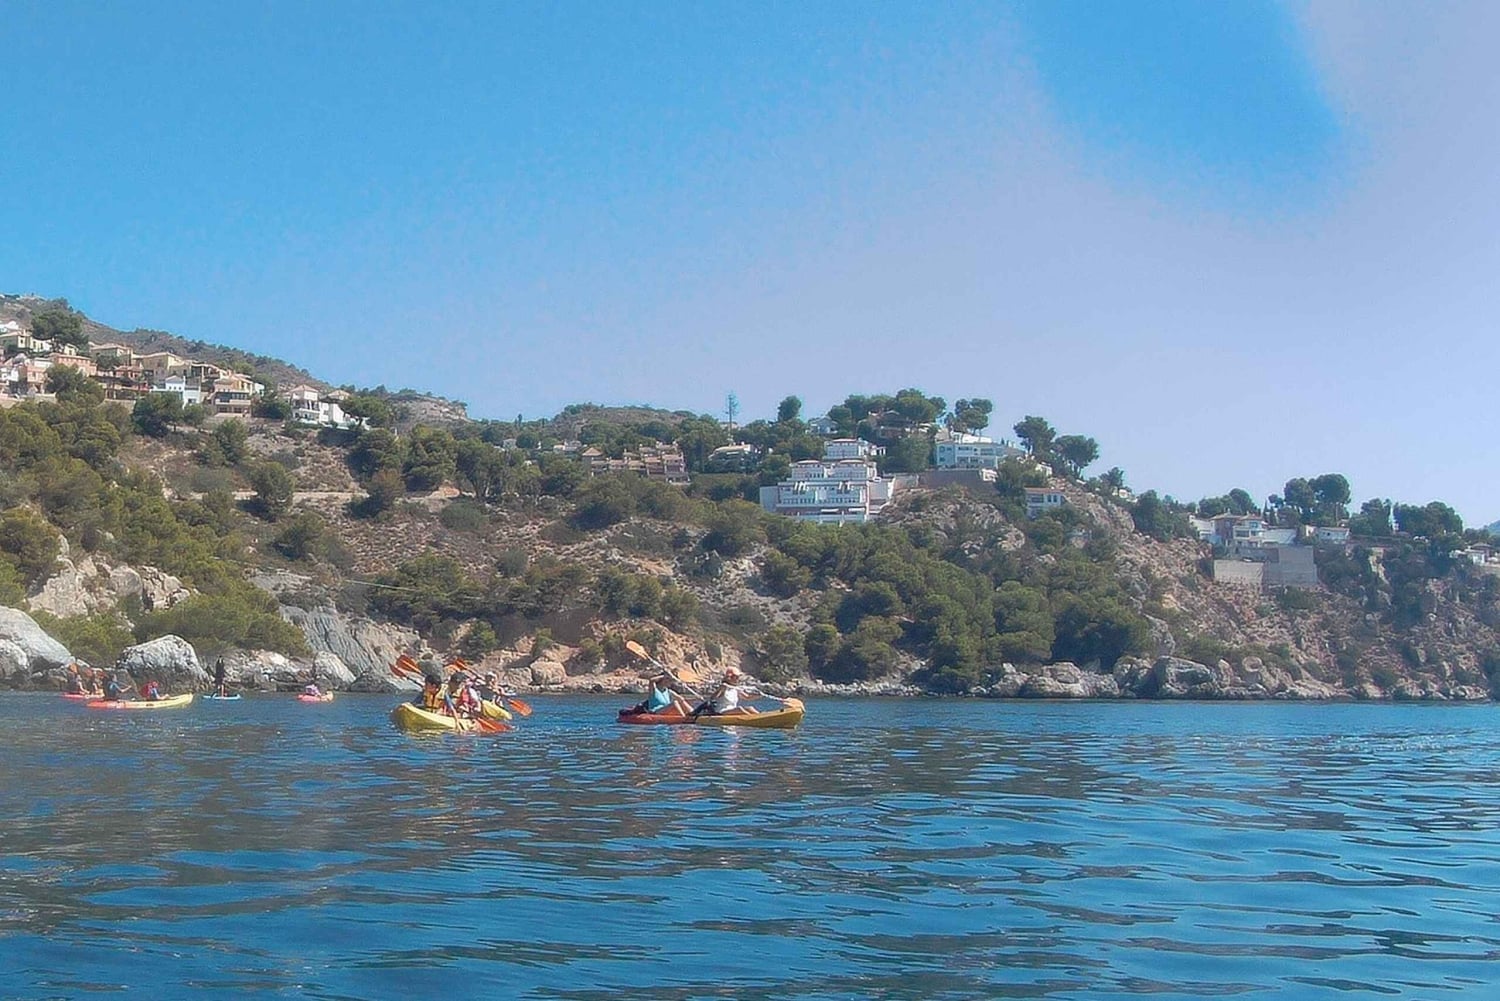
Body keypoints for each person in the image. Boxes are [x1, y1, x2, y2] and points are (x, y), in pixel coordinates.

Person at [691, 667, 767, 717]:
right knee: (740, 709)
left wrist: (759, 695)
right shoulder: (723, 687)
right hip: (721, 712)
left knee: (750, 708)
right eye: (736, 677)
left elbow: (747, 697)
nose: (738, 679)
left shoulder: (735, 688)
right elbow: (713, 698)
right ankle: (753, 720)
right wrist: (721, 689)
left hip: (732, 710)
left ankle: (760, 716)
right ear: (730, 677)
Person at [626, 671, 691, 717]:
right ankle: (684, 718)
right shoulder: (654, 690)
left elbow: (681, 699)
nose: (671, 682)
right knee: (675, 702)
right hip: (655, 711)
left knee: (681, 701)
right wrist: (664, 676)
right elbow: (651, 680)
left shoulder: (668, 691)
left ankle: (692, 714)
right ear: (663, 680)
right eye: (669, 680)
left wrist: (696, 698)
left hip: (664, 710)